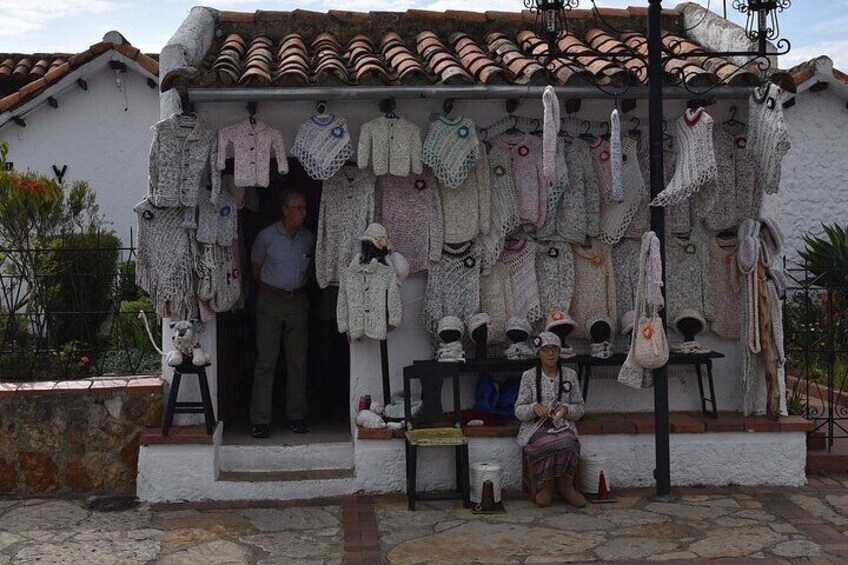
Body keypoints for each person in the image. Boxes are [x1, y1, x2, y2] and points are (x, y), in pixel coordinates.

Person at [249, 188, 315, 438]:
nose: (303, 213)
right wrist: (272, 289)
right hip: (270, 301)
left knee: (297, 360)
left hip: (297, 301)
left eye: (304, 209)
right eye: (298, 208)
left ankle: (297, 415)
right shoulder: (266, 237)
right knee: (266, 361)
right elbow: (255, 269)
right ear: (285, 210)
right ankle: (260, 419)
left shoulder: (308, 237)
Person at [514, 331, 588, 508]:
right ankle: (546, 485)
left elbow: (580, 408)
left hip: (562, 425)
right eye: (546, 350)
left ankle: (565, 485)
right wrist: (534, 408)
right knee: (547, 443)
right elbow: (518, 410)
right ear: (538, 353)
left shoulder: (569, 375)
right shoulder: (529, 377)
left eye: (554, 349)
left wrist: (566, 409)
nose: (550, 354)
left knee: (569, 442)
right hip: (536, 427)